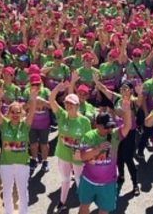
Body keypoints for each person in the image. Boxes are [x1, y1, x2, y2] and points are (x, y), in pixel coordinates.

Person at [78, 101, 132, 214]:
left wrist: (127, 110)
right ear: (97, 125)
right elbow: (82, 156)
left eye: (111, 126)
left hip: (108, 183)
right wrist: (97, 149)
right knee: (84, 208)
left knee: (104, 211)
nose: (109, 129)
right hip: (88, 181)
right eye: (106, 127)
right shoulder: (89, 136)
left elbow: (127, 126)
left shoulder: (115, 135)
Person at [0, 85, 37, 214]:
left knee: (22, 192)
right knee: (7, 192)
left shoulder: (25, 126)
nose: (15, 115)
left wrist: (33, 99)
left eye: (18, 112)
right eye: (13, 112)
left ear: (21, 113)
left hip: (22, 165)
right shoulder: (4, 125)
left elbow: (32, 112)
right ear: (8, 113)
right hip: (6, 165)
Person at [49, 83, 91, 214]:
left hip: (78, 157)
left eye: (71, 103)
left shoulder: (84, 121)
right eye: (67, 103)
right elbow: (51, 100)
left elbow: (88, 140)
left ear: (77, 106)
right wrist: (57, 88)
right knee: (65, 180)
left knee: (79, 181)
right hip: (63, 155)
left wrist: (83, 153)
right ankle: (62, 203)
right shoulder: (61, 115)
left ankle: (83, 205)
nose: (68, 105)